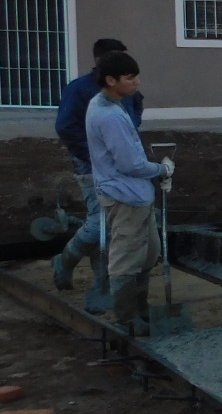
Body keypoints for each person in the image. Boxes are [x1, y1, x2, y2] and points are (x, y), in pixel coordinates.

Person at [51, 38, 144, 307]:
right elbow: (66, 127)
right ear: (100, 61)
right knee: (100, 221)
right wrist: (94, 154)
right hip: (90, 166)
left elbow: (135, 109)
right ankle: (65, 260)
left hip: (120, 165)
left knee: (112, 225)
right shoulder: (80, 90)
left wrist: (128, 134)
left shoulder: (126, 89)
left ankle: (102, 283)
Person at [84, 52, 173, 334]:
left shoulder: (110, 104)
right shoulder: (108, 115)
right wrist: (162, 170)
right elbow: (130, 164)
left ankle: (141, 308)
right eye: (130, 77)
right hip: (124, 196)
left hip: (136, 194)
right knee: (126, 258)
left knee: (149, 253)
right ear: (111, 80)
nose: (137, 82)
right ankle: (126, 318)